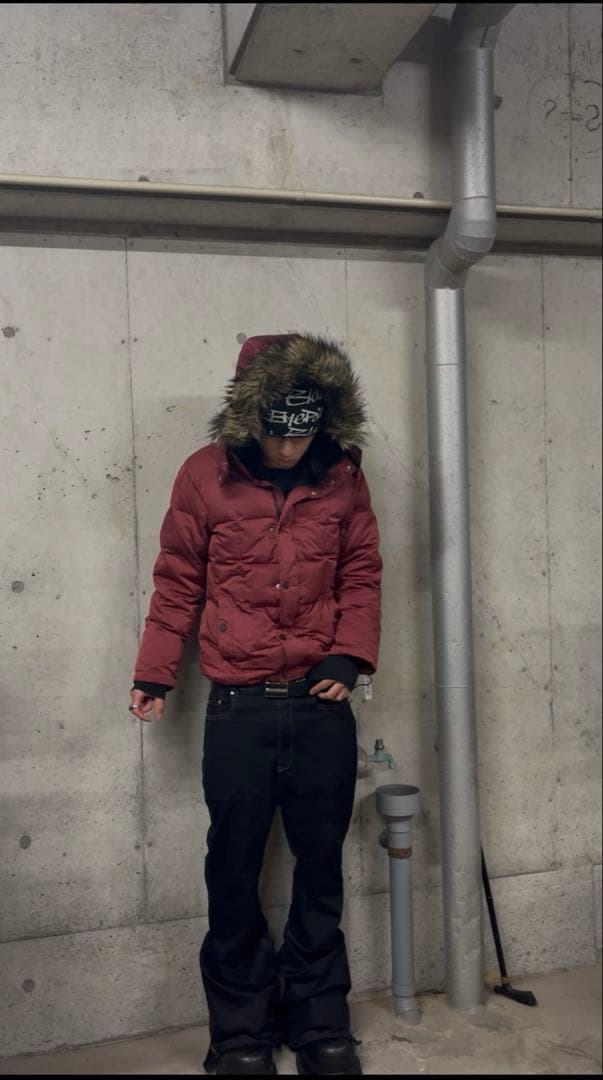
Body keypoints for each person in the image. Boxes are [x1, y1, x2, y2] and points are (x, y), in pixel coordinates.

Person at [129, 333, 382, 1075]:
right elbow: (178, 578)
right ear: (249, 417)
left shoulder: (341, 478)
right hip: (237, 708)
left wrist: (350, 654)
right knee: (234, 868)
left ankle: (319, 1022)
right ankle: (239, 1035)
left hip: (319, 707)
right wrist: (154, 673)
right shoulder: (203, 475)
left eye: (301, 430)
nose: (287, 445)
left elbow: (361, 571)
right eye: (275, 430)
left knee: (320, 868)